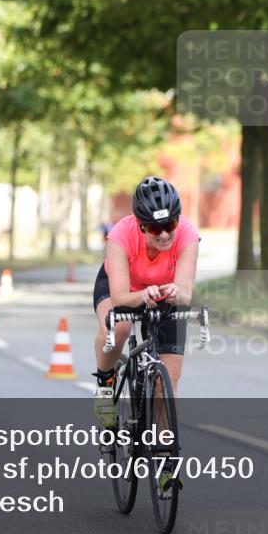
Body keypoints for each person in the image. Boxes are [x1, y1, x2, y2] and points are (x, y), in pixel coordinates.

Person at [92, 176, 200, 415]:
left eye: (170, 225)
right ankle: (105, 383)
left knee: (168, 383)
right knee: (118, 327)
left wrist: (176, 292)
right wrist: (142, 295)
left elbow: (185, 293)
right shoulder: (121, 235)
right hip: (124, 289)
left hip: (164, 295)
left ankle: (163, 450)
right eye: (154, 228)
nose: (163, 235)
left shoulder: (188, 234)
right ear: (140, 225)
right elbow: (119, 297)